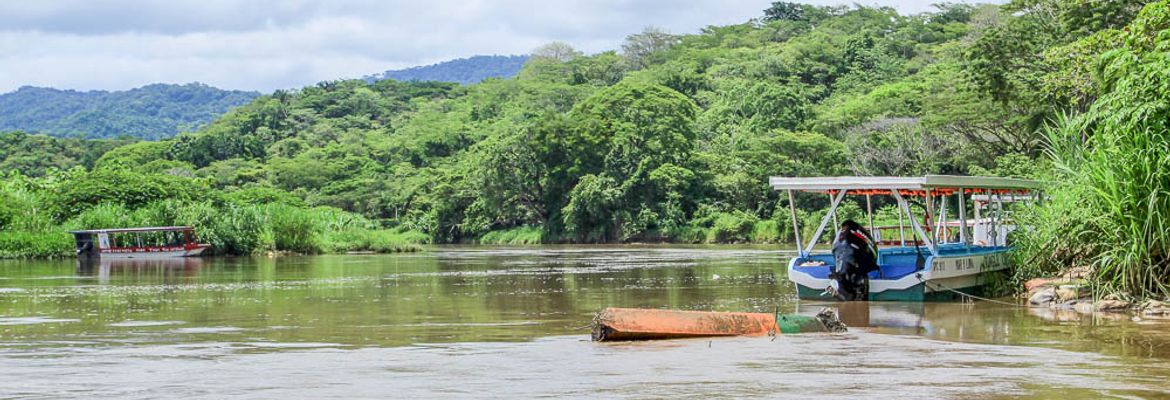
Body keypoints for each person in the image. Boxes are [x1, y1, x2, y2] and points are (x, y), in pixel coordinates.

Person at [829, 219, 879, 301]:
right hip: (852, 267)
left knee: (845, 277)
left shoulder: (844, 246)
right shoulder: (847, 246)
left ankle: (842, 289)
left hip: (850, 266)